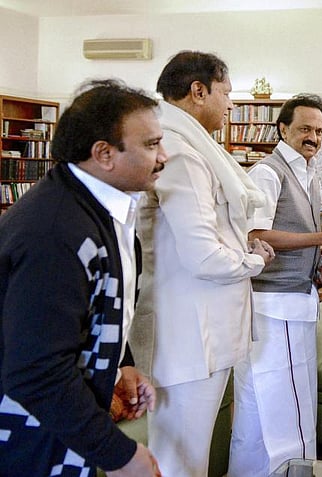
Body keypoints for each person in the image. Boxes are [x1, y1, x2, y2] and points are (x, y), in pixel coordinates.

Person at [0, 79, 163, 476]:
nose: (164, 157)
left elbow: (98, 306)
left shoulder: (102, 210)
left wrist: (123, 364)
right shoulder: (54, 232)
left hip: (61, 428)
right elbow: (36, 372)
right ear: (104, 154)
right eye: (151, 145)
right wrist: (119, 455)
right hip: (27, 440)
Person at [134, 50, 275, 477]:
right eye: (226, 93)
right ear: (198, 91)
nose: (231, 104)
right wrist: (253, 259)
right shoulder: (180, 149)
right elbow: (203, 255)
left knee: (188, 458)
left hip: (201, 333)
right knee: (180, 462)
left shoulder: (192, 144)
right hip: (189, 339)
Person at [229, 94, 322, 475]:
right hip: (273, 305)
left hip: (298, 302)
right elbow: (256, 234)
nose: (313, 137)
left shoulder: (310, 174)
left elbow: (301, 234)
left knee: (289, 404)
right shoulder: (267, 173)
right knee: (272, 405)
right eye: (305, 129)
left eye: (319, 131)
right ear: (283, 129)